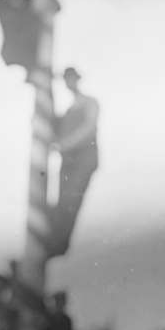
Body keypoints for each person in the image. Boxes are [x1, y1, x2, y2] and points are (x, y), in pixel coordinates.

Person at [48, 67, 100, 256]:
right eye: (66, 80)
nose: (69, 83)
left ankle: (59, 245)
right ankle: (53, 243)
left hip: (83, 159)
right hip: (68, 161)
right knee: (62, 201)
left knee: (70, 201)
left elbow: (88, 128)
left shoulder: (90, 103)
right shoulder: (68, 111)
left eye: (72, 79)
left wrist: (65, 145)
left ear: (77, 80)